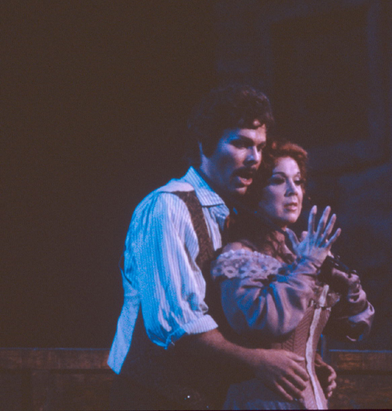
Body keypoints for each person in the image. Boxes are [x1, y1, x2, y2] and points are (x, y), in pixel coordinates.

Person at [108, 85, 335, 410]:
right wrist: (258, 361)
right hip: (157, 398)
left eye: (259, 146)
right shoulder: (167, 208)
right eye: (240, 144)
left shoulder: (240, 218)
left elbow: (245, 311)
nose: (255, 159)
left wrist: (301, 361)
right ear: (205, 143)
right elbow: (179, 326)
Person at [211, 141, 375, 409]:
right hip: (262, 401)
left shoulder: (299, 251)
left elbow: (355, 325)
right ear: (255, 192)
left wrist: (342, 281)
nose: (293, 191)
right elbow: (266, 322)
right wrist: (309, 265)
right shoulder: (239, 255)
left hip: (313, 400)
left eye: (298, 182)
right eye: (278, 181)